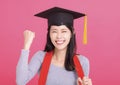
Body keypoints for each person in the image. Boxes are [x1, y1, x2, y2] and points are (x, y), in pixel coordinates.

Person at [16, 7, 92, 85]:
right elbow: (20, 81)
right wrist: (26, 46)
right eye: (54, 31)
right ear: (49, 33)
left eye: (64, 31)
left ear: (72, 33)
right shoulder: (40, 57)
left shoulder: (82, 62)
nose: (59, 36)